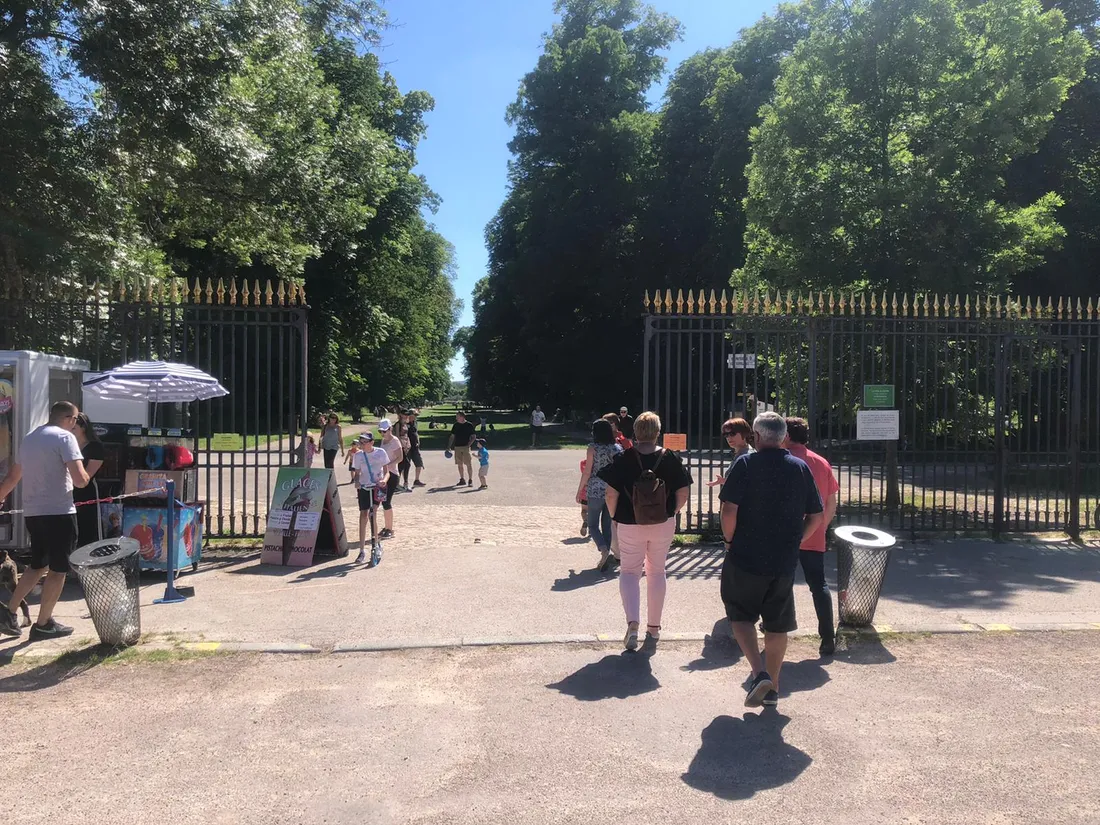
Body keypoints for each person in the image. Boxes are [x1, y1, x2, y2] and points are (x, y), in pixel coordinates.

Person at [719, 411, 824, 709]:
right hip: (783, 561)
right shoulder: (800, 468)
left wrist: (729, 540)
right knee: (778, 624)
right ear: (782, 437)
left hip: (745, 556)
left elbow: (729, 511)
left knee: (739, 615)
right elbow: (816, 515)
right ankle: (774, 687)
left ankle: (758, 671)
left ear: (758, 435)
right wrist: (796, 541)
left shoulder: (745, 464)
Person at [598, 411, 693, 652]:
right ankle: (654, 627)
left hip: (630, 522)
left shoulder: (625, 458)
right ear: (658, 432)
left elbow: (610, 493)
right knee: (657, 571)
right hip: (662, 523)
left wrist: (614, 517)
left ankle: (632, 623)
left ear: (635, 432)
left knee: (629, 571)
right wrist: (671, 511)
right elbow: (683, 493)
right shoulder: (669, 458)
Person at [0, 401, 91, 638]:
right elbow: (80, 479)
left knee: (37, 564)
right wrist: (86, 475)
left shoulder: (30, 438)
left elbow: (13, 475)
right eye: (75, 420)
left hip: (33, 512)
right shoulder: (65, 438)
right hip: (59, 511)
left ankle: (9, 611)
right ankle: (43, 623)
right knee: (59, 570)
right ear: (70, 419)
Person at [785, 417, 841, 655]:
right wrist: (821, 527)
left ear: (786, 435)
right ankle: (828, 637)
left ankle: (779, 625)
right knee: (818, 585)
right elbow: (831, 502)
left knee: (781, 582)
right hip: (815, 531)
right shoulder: (821, 462)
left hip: (784, 532)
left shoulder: (783, 461)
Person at [576, 418, 622, 572]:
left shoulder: (592, 448)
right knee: (607, 525)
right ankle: (606, 554)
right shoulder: (616, 448)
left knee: (593, 524)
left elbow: (587, 471)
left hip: (595, 489)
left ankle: (603, 550)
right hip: (612, 490)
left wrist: (580, 490)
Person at [351, 433, 388, 565]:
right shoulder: (358, 455)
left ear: (371, 442)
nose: (362, 444)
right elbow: (357, 473)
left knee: (373, 513)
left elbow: (387, 470)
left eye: (365, 442)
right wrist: (356, 481)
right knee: (363, 515)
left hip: (377, 486)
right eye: (361, 442)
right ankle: (361, 549)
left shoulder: (381, 452)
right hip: (364, 487)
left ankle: (375, 543)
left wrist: (384, 480)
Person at [72, 412, 106, 546]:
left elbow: (89, 473)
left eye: (74, 428)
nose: (71, 431)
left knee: (88, 522)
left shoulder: (94, 447)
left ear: (83, 428)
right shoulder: (67, 445)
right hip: (67, 490)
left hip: (86, 490)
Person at [707, 417, 754, 488]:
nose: (729, 438)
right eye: (726, 435)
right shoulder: (741, 453)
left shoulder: (748, 455)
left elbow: (748, 483)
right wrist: (724, 481)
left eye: (732, 433)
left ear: (744, 433)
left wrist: (725, 481)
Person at [377, 419, 403, 538]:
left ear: (390, 429)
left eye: (385, 431)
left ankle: (390, 529)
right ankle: (387, 526)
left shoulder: (395, 441)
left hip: (392, 474)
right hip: (383, 474)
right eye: (381, 431)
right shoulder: (383, 441)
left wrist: (388, 464)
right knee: (383, 502)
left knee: (387, 502)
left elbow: (400, 458)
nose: (383, 434)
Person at [447, 411, 476, 486]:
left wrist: (469, 444)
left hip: (466, 447)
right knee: (459, 464)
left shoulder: (469, 425)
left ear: (462, 417)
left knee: (468, 464)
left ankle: (470, 480)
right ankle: (462, 479)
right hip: (457, 447)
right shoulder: (456, 425)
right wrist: (449, 447)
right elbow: (452, 436)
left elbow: (473, 436)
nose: (456, 418)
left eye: (457, 416)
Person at [405, 409, 425, 487]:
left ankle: (417, 480)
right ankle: (405, 481)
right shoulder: (405, 424)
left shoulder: (415, 423)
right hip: (407, 447)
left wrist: (418, 440)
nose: (415, 417)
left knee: (419, 463)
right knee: (406, 465)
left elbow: (416, 432)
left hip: (415, 447)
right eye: (414, 415)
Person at [395, 411, 413, 491]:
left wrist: (408, 444)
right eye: (404, 414)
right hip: (401, 447)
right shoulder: (398, 424)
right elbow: (397, 436)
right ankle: (396, 483)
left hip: (407, 446)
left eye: (407, 415)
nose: (406, 416)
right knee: (402, 465)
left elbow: (407, 435)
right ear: (400, 415)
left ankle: (405, 483)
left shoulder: (406, 424)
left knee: (407, 465)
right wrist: (401, 447)